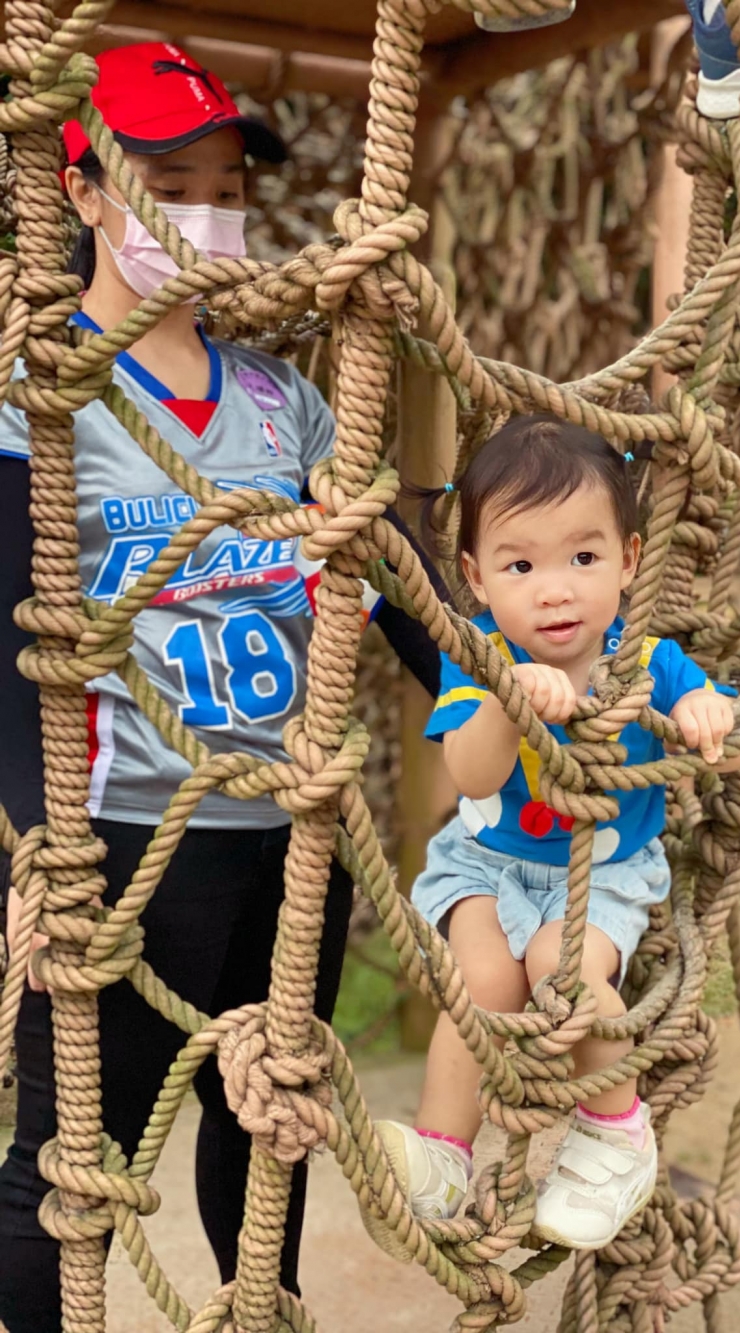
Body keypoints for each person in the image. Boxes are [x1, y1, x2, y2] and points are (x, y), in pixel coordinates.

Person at [0, 42, 448, 1332]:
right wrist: (39, 835)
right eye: (171, 185)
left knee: (265, 1116)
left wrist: (495, 694)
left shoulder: (281, 400)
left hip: (290, 833)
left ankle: (264, 1309)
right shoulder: (41, 399)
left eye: (228, 190)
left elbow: (389, 577)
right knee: (68, 1158)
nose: (206, 214)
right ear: (86, 192)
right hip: (130, 840)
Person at [365, 416, 740, 1255]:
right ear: (475, 576)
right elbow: (470, 775)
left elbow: (712, 709)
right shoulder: (480, 653)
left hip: (602, 873)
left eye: (583, 557)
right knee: (479, 982)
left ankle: (614, 1134)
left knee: (558, 970)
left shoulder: (644, 658)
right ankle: (442, 1156)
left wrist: (701, 708)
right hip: (486, 862)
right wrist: (510, 702)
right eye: (521, 566)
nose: (555, 590)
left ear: (629, 560)